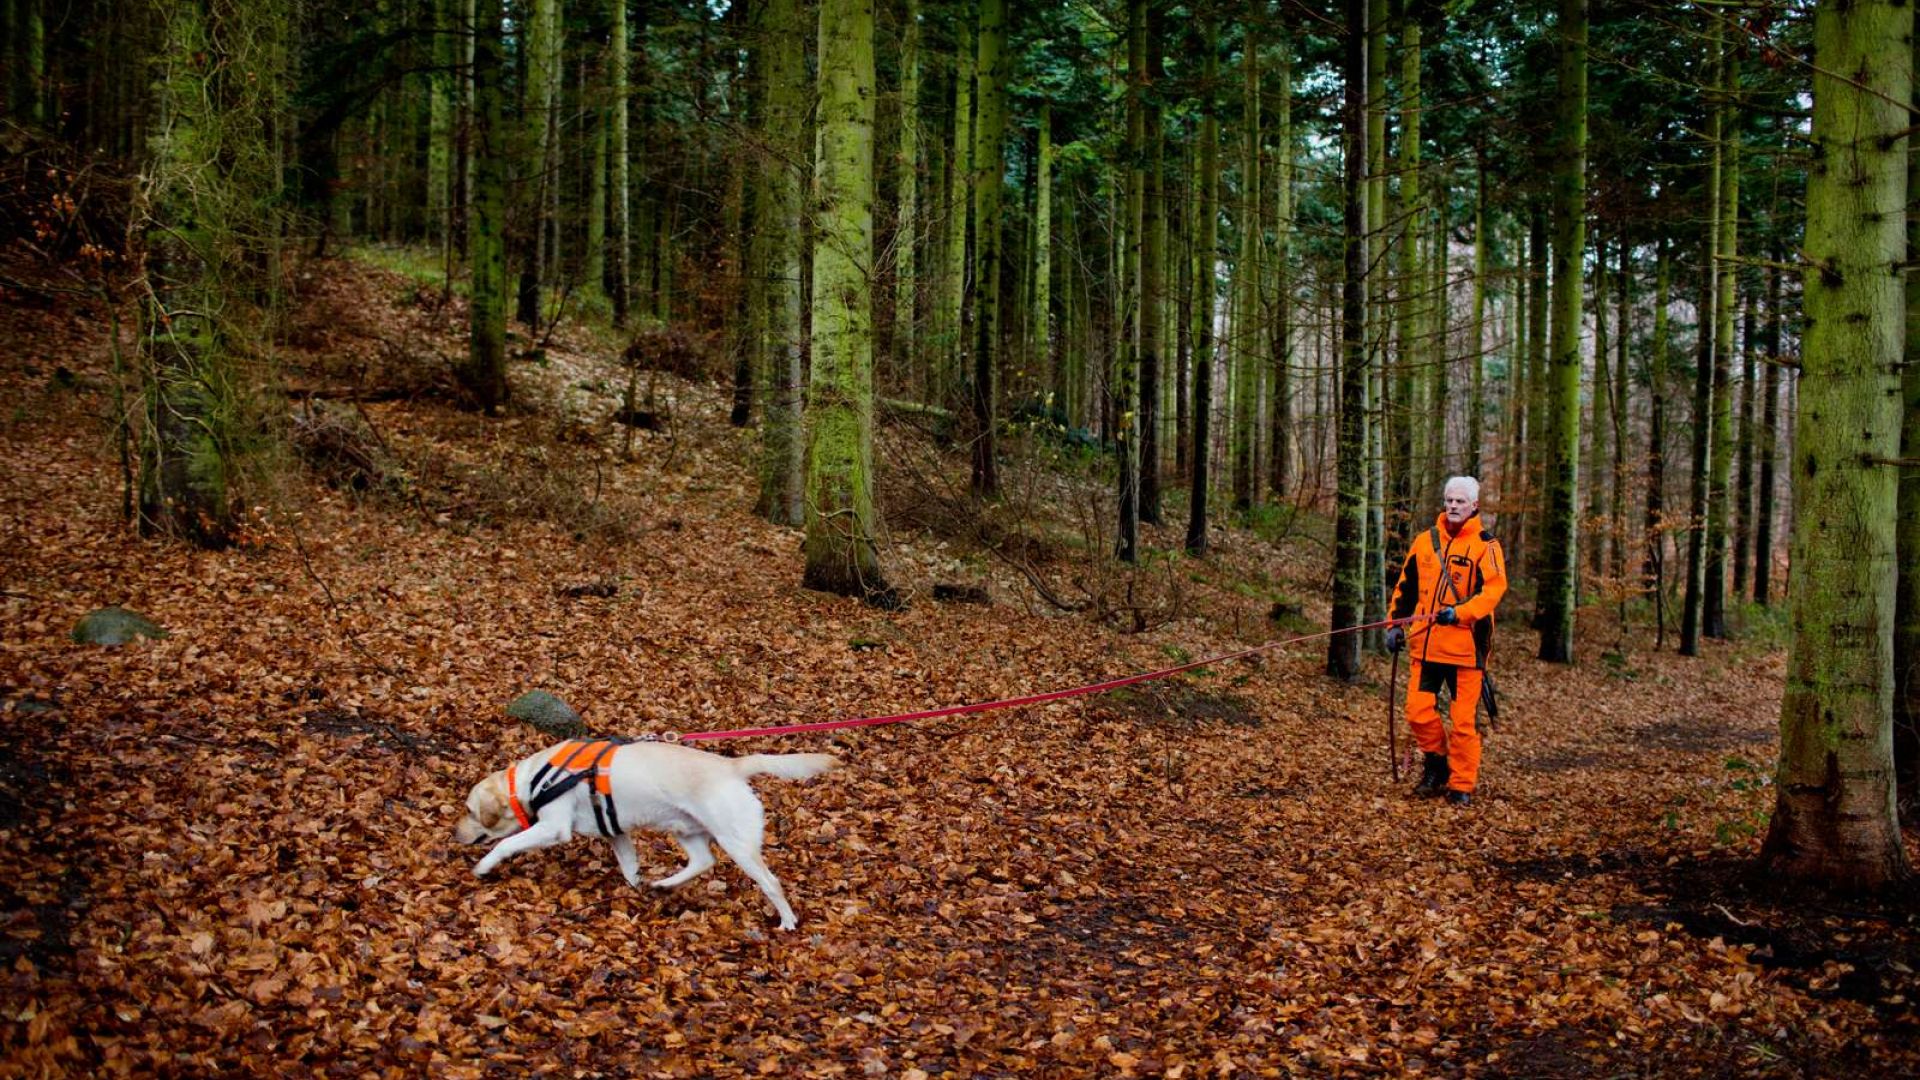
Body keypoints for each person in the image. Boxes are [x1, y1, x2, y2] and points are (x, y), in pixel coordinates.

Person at [1385, 476, 1508, 806]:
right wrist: (1395, 625)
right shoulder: (1425, 541)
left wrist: (1462, 613)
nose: (1453, 506)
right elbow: (1406, 587)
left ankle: (1461, 786)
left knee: (1464, 722)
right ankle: (1436, 764)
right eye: (1449, 500)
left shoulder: (1487, 545)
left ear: (1474, 506)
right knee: (1417, 712)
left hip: (1467, 651)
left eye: (1460, 502)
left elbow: (1493, 591)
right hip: (1425, 646)